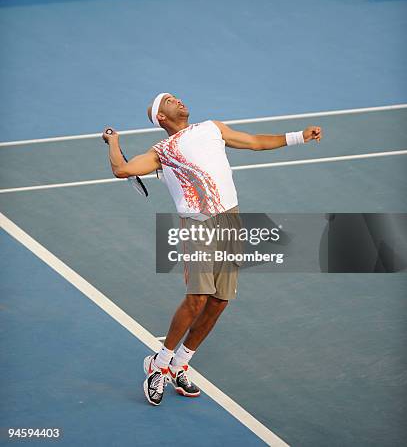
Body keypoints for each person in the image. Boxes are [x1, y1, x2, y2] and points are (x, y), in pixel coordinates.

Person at [103, 93, 322, 406]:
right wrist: (114, 142)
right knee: (197, 299)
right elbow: (122, 170)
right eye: (168, 101)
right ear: (160, 118)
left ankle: (180, 363)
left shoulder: (211, 128)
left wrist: (299, 137)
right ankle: (160, 362)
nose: (176, 100)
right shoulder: (161, 152)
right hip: (199, 227)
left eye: (175, 97)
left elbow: (255, 142)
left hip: (230, 220)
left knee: (219, 301)